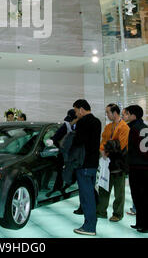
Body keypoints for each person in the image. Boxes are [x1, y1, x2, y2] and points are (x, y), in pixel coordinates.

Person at [71, 99, 101, 236]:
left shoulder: (82, 122)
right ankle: (90, 224)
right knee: (90, 195)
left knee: (86, 197)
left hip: (83, 164)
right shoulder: (97, 121)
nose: (77, 114)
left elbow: (78, 141)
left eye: (76, 111)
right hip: (93, 164)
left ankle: (89, 227)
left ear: (81, 109)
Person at [96, 104, 129, 222]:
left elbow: (121, 145)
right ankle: (101, 211)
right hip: (106, 162)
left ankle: (118, 213)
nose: (107, 114)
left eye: (108, 112)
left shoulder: (124, 127)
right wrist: (102, 150)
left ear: (115, 113)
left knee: (119, 190)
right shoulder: (108, 127)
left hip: (118, 163)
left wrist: (106, 150)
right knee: (103, 187)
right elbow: (103, 141)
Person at [124, 105, 148, 233]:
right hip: (144, 167)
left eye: (126, 114)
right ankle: (140, 223)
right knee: (142, 197)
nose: (125, 116)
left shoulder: (133, 129)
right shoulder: (144, 127)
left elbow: (132, 150)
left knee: (139, 197)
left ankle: (144, 224)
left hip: (137, 167)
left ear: (133, 115)